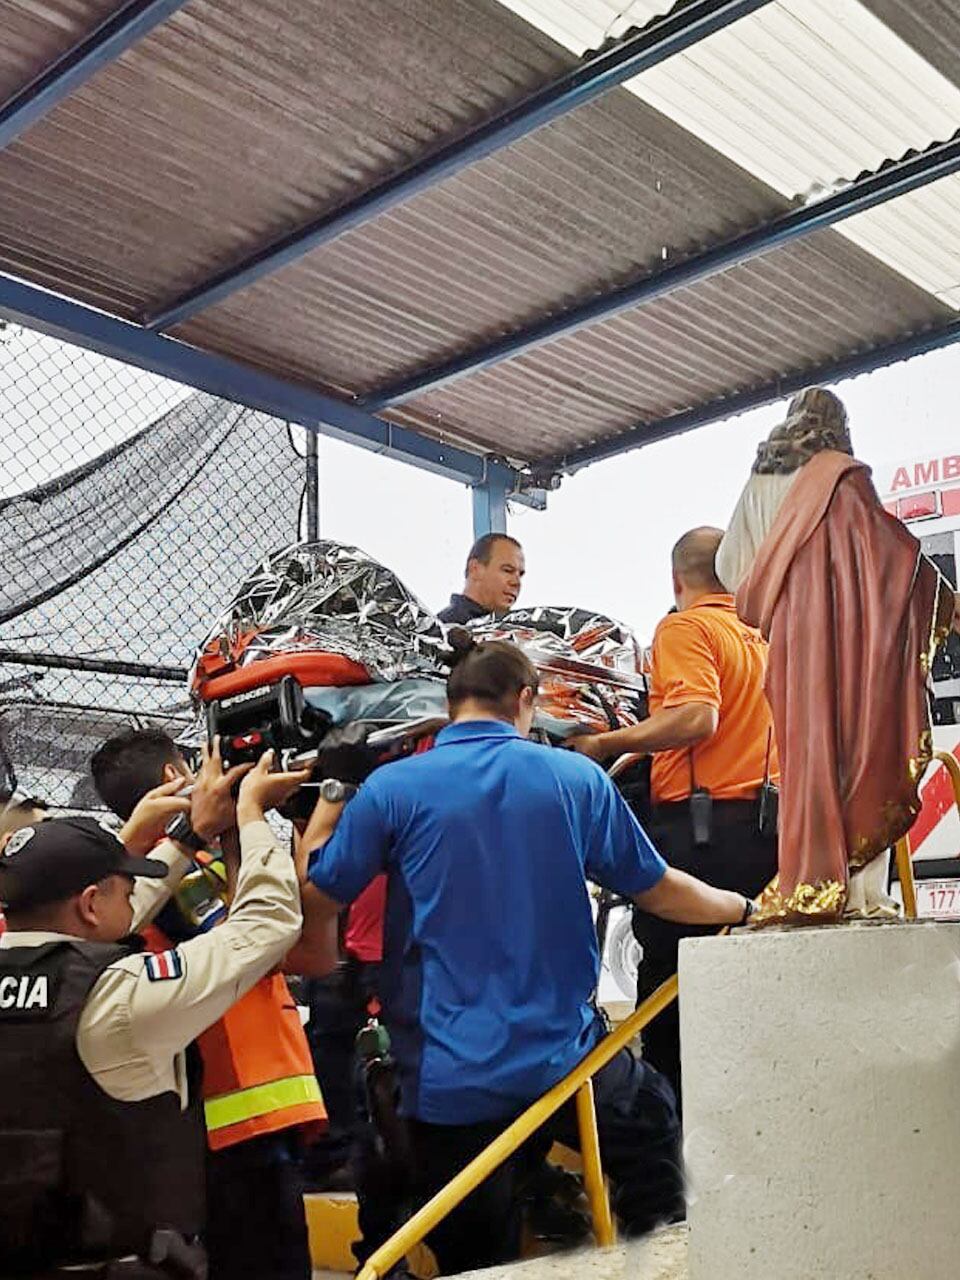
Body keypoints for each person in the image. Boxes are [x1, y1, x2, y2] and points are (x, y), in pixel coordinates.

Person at [293, 632, 753, 1274]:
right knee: (649, 1122)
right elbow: (660, 891)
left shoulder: (392, 790)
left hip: (449, 1083)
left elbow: (319, 891)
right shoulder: (576, 779)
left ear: (453, 704)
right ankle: (665, 1252)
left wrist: (325, 807)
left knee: (474, 1253)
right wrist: (744, 909)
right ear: (526, 700)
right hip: (565, 1065)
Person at [0, 753, 308, 1279]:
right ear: (91, 904)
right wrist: (254, 816)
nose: (134, 905)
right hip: (111, 1260)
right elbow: (266, 925)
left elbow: (111, 911)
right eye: (123, 889)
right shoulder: (114, 998)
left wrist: (188, 835)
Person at [90, 728, 327, 1280]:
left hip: (246, 1112)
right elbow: (257, 936)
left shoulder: (159, 866)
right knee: (267, 1260)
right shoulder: (166, 870)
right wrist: (247, 817)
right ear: (175, 778)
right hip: (231, 1113)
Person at [715, 386, 956, 925]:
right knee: (862, 749)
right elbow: (894, 560)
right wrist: (941, 597)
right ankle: (859, 895)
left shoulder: (761, 482)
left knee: (808, 762)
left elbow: (732, 567)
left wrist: (782, 594)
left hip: (794, 650)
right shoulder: (845, 477)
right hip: (854, 646)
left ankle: (810, 881)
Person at [570, 528, 778, 1103]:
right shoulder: (760, 632)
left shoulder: (685, 626)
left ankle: (673, 1136)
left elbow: (697, 718)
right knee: (747, 988)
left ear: (676, 580)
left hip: (702, 836)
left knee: (672, 985)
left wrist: (606, 744)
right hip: (766, 836)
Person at [437, 533, 525, 623]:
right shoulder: (443, 630)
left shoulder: (519, 629)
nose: (516, 583)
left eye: (520, 575)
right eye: (507, 570)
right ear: (475, 569)